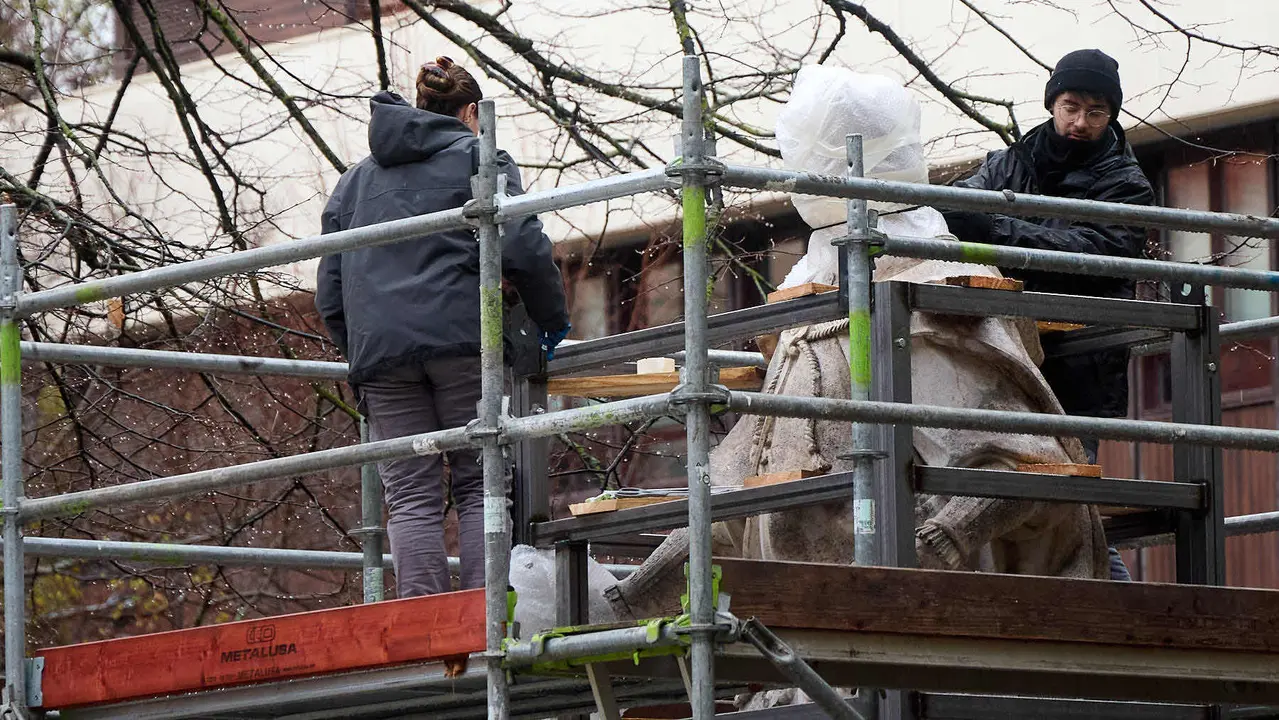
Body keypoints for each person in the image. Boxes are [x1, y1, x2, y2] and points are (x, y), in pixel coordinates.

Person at [315, 57, 571, 598]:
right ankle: (485, 624)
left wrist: (364, 351)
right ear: (472, 112)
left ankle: (422, 631)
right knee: (482, 484)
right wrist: (551, 318)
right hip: (463, 345)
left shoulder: (353, 184)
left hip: (381, 356)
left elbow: (330, 291)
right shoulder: (479, 158)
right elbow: (523, 245)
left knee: (409, 494)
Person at [941, 49, 1155, 580]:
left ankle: (1120, 606)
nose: (1081, 123)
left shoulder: (1127, 184)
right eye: (1071, 106)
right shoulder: (1009, 162)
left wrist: (999, 231)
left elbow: (1097, 253)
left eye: (1096, 113)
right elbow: (954, 206)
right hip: (1005, 357)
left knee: (1067, 501)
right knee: (1008, 499)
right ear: (1052, 103)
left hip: (1076, 366)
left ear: (1113, 115)